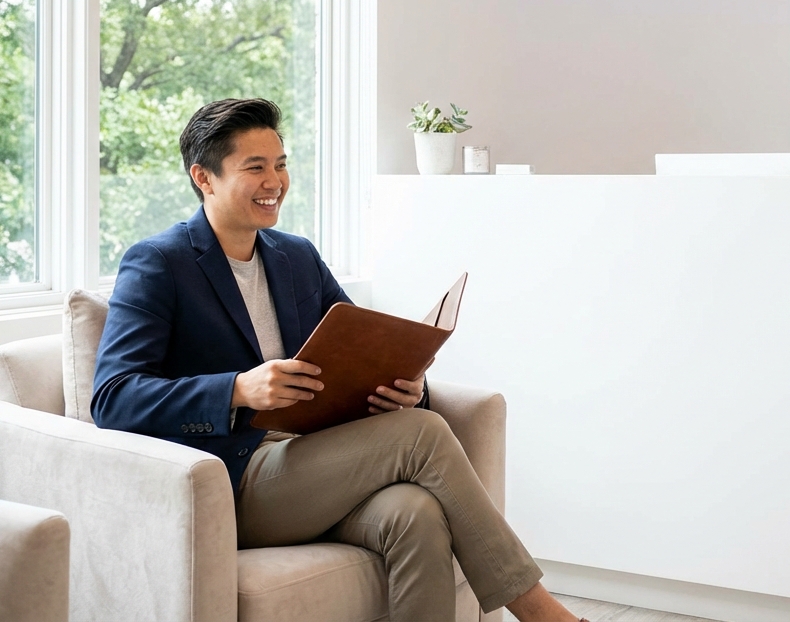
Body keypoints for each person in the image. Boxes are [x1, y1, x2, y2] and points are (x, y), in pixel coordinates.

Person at [92, 98, 584, 622]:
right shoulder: (159, 262)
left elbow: (363, 344)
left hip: (314, 460)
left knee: (414, 513)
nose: (274, 181)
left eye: (280, 165)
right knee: (422, 432)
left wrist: (407, 387)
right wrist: (237, 388)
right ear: (204, 178)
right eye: (254, 167)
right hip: (232, 479)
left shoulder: (296, 255)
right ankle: (541, 614)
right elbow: (113, 398)